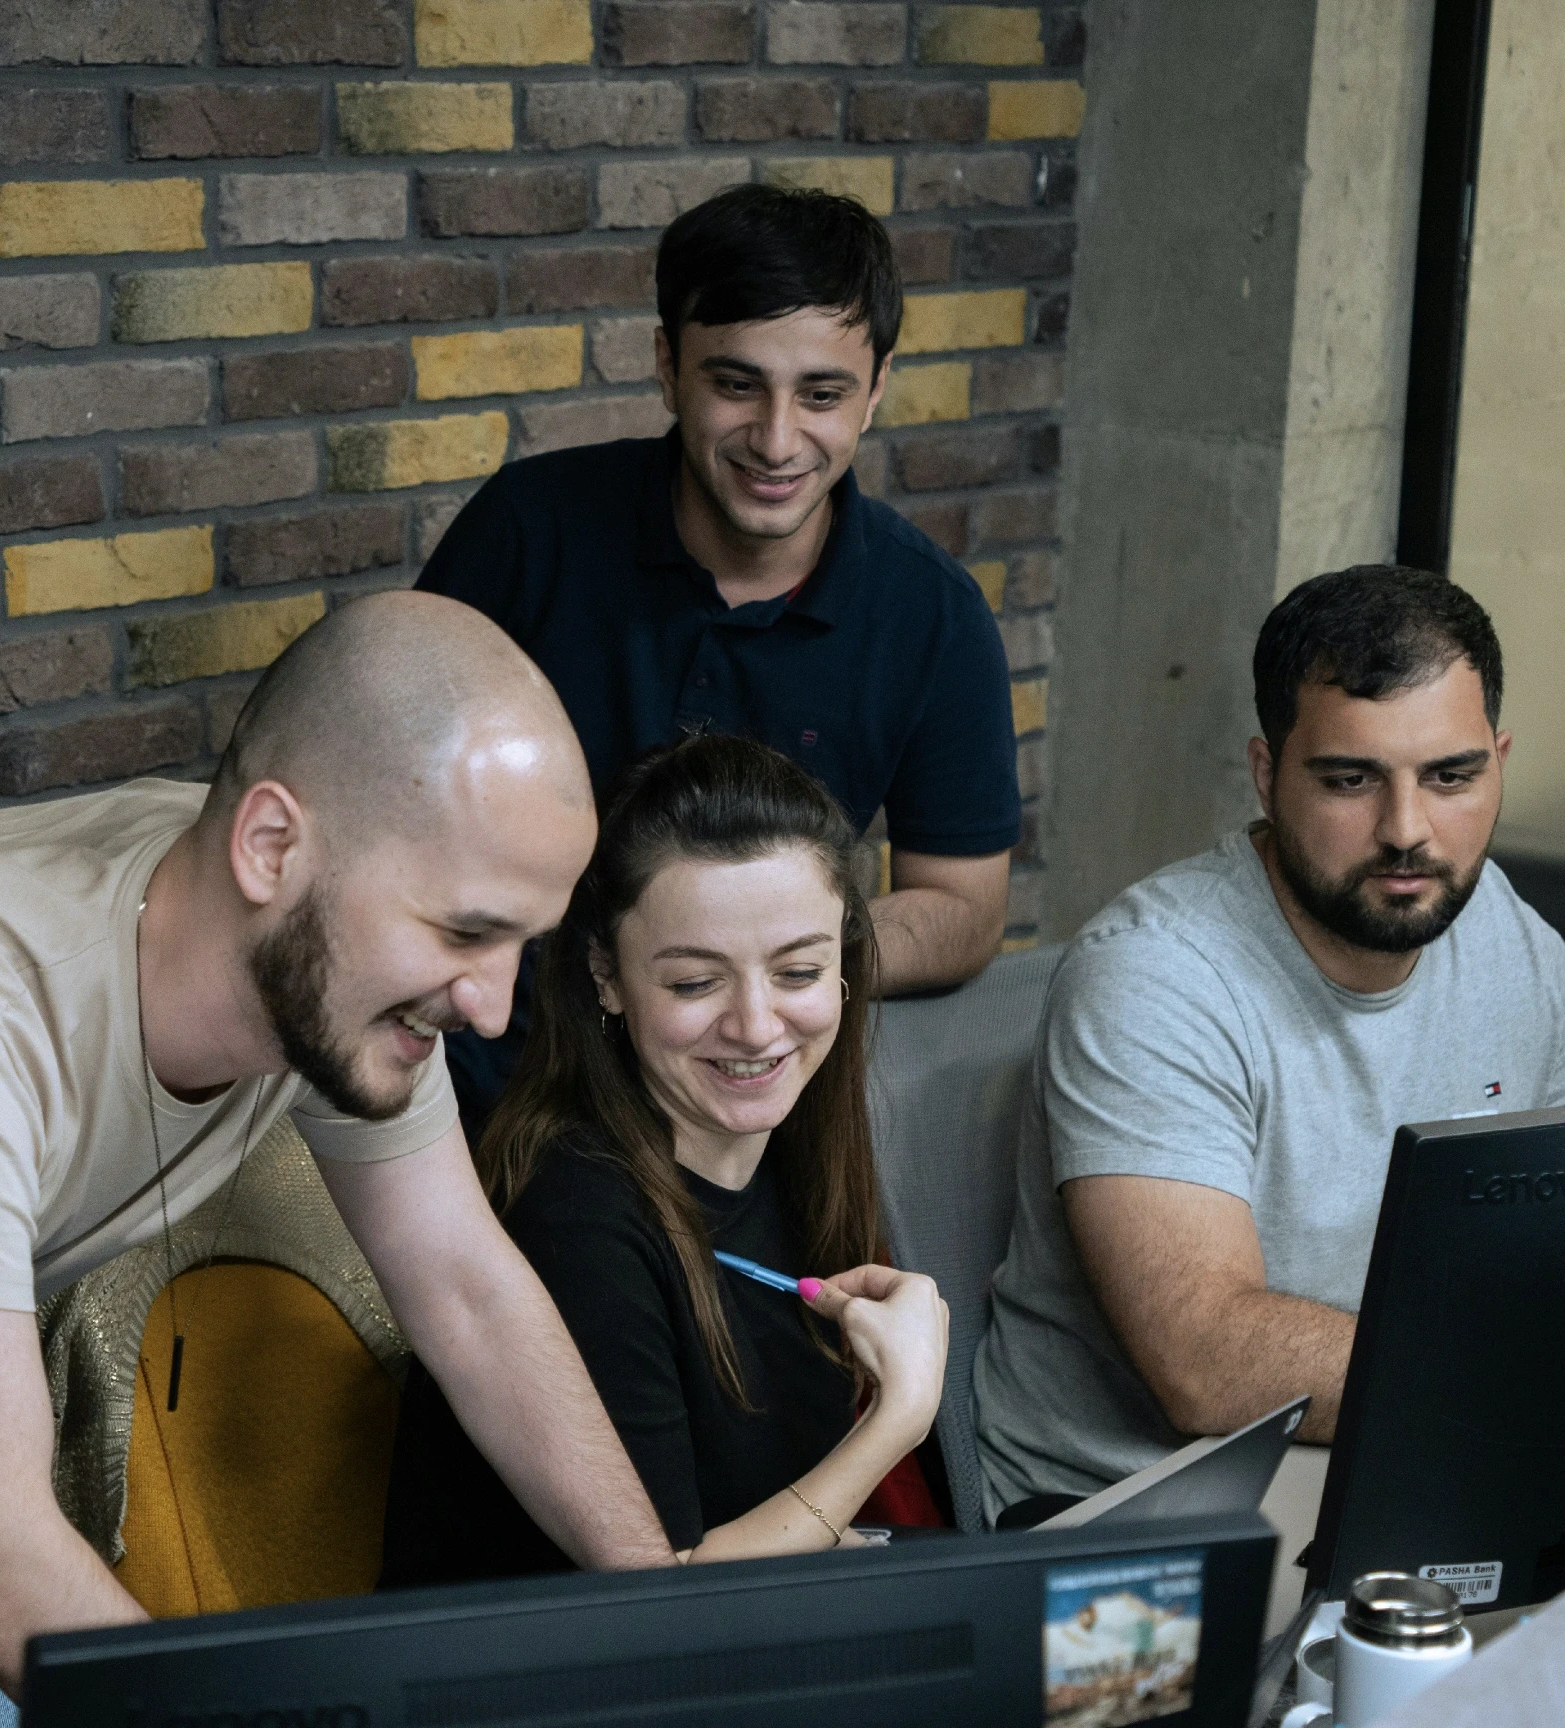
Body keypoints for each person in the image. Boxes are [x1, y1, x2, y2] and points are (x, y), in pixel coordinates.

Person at [0, 593, 675, 1725]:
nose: (492, 1007)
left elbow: (466, 1290)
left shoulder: (304, 944)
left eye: (523, 944)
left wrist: (671, 1628)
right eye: (466, 933)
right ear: (268, 844)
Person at [418, 183, 1022, 1133]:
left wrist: (758, 970)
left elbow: (962, 909)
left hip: (742, 1119)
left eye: (822, 393)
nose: (777, 441)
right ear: (668, 365)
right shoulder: (529, 532)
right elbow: (394, 812)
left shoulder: (934, 618)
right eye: (736, 384)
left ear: (876, 391)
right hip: (480, 1089)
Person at [974, 565, 1565, 1526]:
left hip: (1406, 1457)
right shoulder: (1156, 977)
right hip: (1132, 1515)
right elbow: (1206, 1361)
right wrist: (1512, 1372)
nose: (1408, 831)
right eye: (1350, 779)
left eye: (1451, 776)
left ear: (1498, 760)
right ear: (1267, 772)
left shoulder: (1496, 923)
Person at [380, 735, 950, 1582]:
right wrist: (895, 1420)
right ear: (606, 977)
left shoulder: (796, 1146)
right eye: (694, 984)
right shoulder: (573, 1220)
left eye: (798, 971)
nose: (757, 1026)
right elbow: (669, 1599)